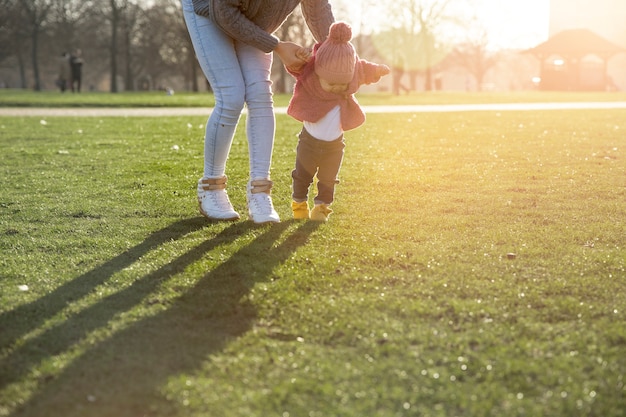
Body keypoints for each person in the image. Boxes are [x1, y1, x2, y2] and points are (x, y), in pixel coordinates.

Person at [182, 0, 335, 224]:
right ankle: (211, 187)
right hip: (210, 9)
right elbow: (224, 12)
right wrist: (277, 46)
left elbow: (318, 10)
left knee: (261, 96)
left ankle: (260, 193)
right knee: (231, 95)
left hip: (252, 18)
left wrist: (336, 53)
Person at [286, 21, 390, 222]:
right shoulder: (311, 74)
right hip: (309, 142)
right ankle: (299, 203)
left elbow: (362, 69)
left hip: (335, 146)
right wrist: (299, 57)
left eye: (342, 84)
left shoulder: (350, 76)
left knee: (328, 179)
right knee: (302, 175)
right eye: (331, 83)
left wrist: (377, 70)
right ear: (318, 74)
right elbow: (296, 66)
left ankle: (322, 208)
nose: (336, 88)